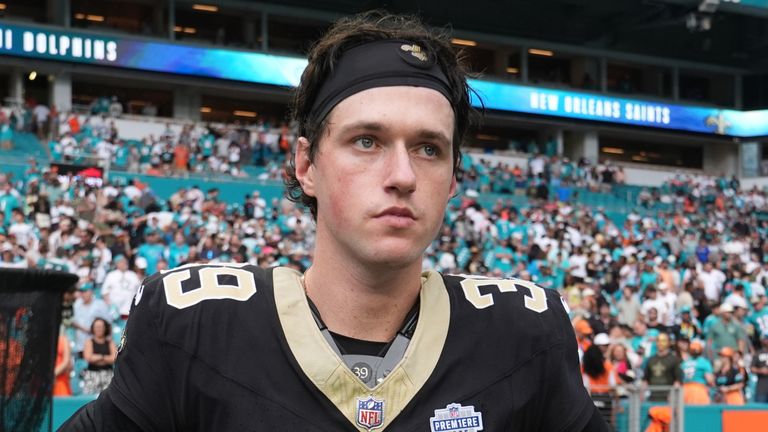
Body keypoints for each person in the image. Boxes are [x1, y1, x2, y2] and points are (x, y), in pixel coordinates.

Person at [61, 11, 609, 431]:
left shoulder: (524, 333)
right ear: (306, 165)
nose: (402, 175)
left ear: (454, 178)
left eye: (428, 148)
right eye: (366, 141)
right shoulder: (193, 326)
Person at [81, 317, 117, 395]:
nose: (99, 329)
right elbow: (89, 357)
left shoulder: (110, 342)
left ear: (105, 328)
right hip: (92, 375)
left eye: (101, 327)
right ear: (93, 328)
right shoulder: (89, 342)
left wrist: (98, 357)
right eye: (97, 327)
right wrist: (104, 357)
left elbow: (114, 358)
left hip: (108, 375)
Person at [642, 332, 682, 402]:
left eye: (663, 341)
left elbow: (678, 380)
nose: (660, 343)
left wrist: (672, 396)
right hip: (652, 397)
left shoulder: (674, 359)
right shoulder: (651, 360)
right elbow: (645, 379)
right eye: (658, 340)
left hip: (668, 398)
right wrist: (642, 395)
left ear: (669, 343)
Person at [680, 340, 714, 404]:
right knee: (700, 412)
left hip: (685, 390)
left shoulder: (684, 363)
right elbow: (709, 380)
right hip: (698, 389)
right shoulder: (704, 362)